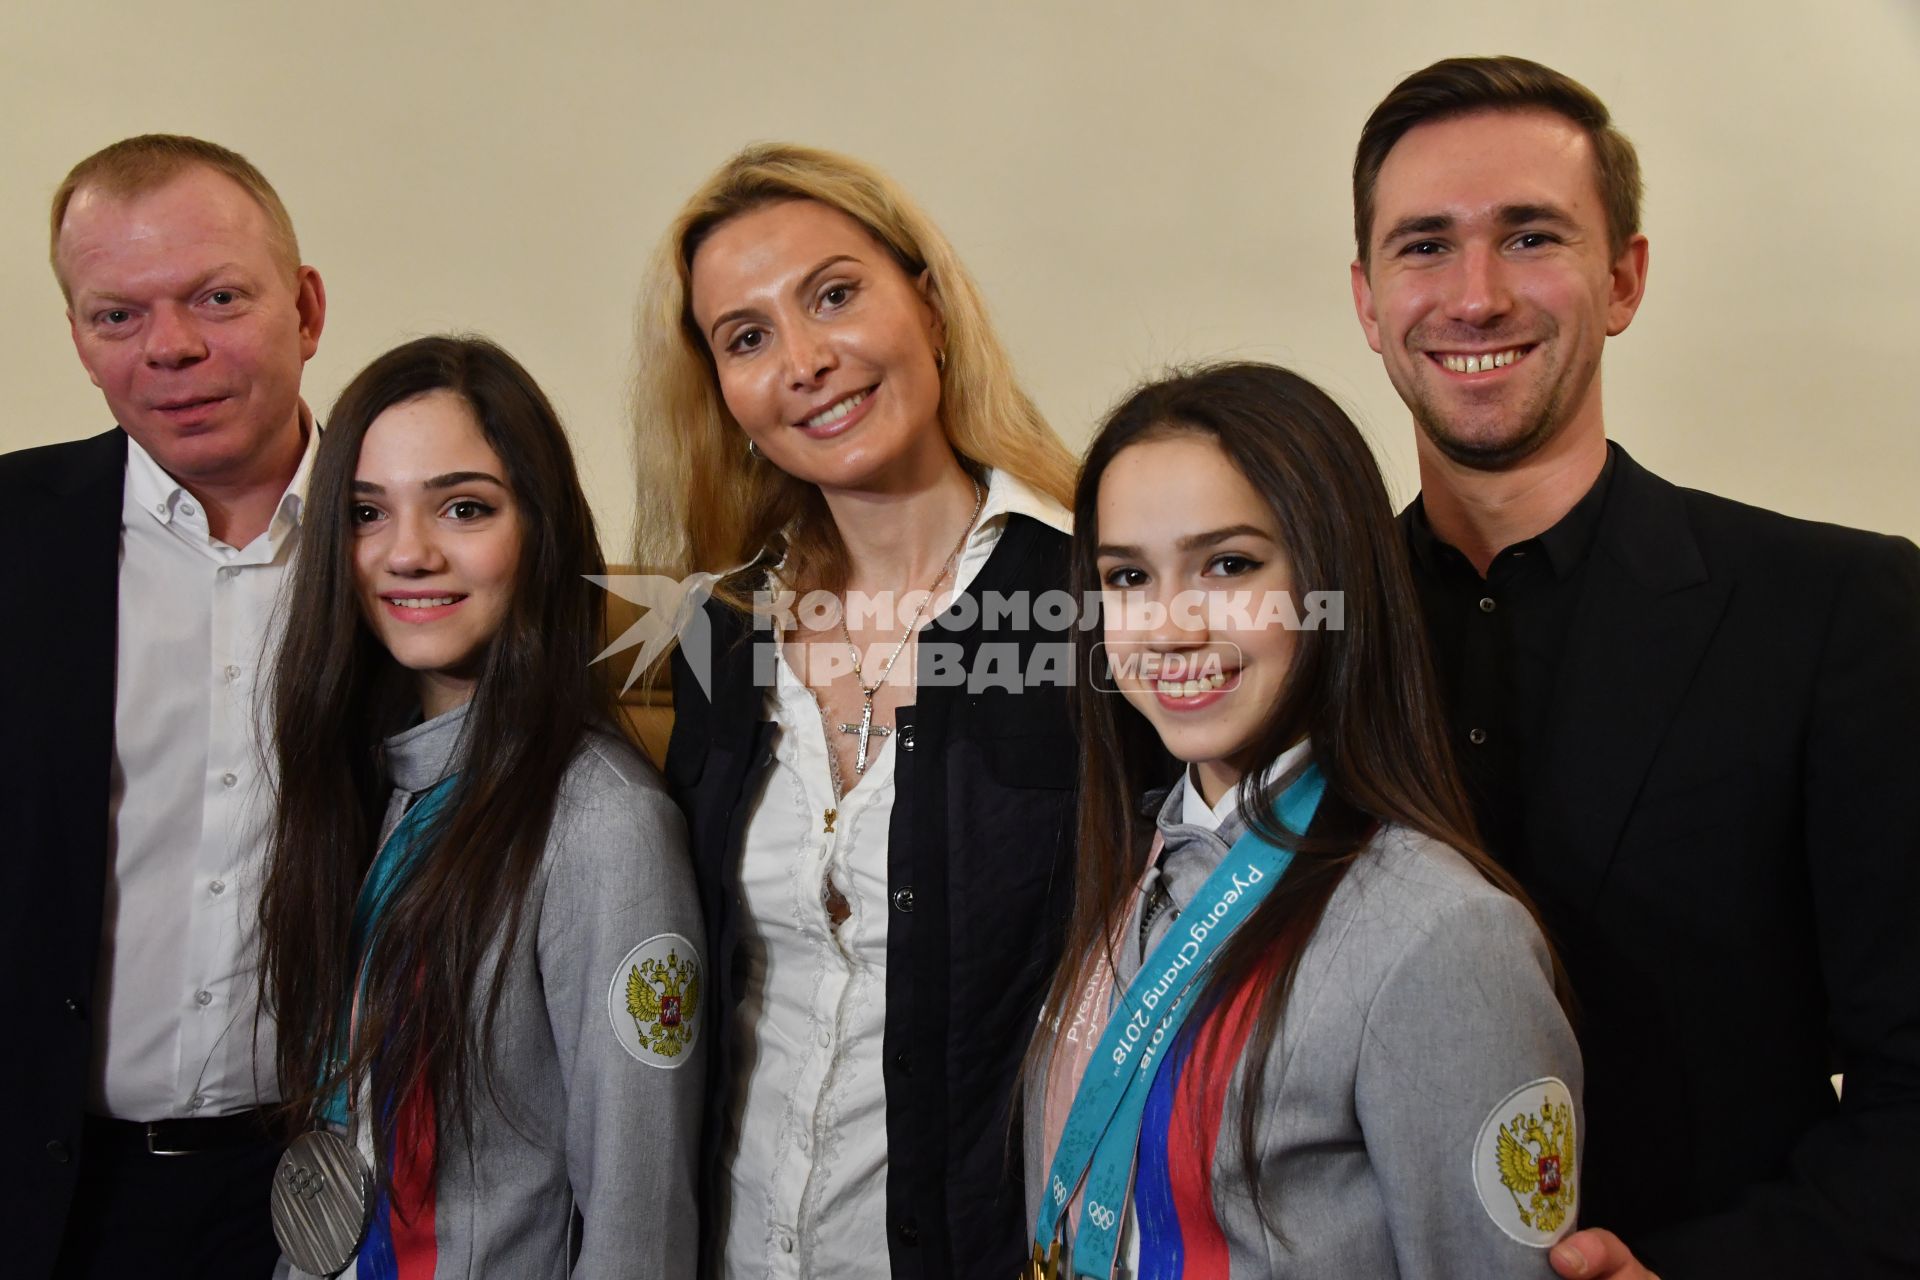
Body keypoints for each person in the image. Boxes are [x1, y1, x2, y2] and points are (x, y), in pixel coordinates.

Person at [1348, 55, 1920, 1280]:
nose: (1477, 294)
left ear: (1623, 279)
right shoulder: (1302, 638)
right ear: (1366, 298)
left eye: (1532, 235)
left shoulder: (1838, 611)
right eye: (1425, 247)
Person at [1024, 361, 1580, 1278]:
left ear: (1333, 580)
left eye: (1230, 565)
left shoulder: (1445, 935)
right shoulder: (1143, 863)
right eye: (1127, 576)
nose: (1169, 627)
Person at [636, 143, 1080, 1279]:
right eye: (747, 336)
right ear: (725, 395)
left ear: (928, 306)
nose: (806, 360)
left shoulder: (1091, 600)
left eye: (835, 294)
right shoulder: (717, 633)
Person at [257, 335, 703, 1278]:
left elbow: (639, 1217)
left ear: (540, 531)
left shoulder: (603, 823)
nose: (408, 553)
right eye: (367, 513)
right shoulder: (364, 786)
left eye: (464, 508)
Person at [0, 135, 326, 1279]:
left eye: (217, 297)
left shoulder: (425, 545)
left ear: (307, 306)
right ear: (81, 340)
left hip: (326, 1193)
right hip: (48, 1198)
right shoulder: (13, 536)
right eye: (117, 316)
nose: (172, 348)